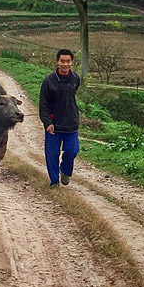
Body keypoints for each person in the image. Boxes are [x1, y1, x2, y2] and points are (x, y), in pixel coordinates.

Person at [39, 48, 81, 187]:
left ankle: (65, 171)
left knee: (72, 151)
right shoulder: (49, 81)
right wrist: (47, 122)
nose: (65, 64)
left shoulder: (75, 79)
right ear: (57, 62)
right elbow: (43, 105)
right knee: (52, 154)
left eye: (68, 61)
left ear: (72, 62)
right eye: (62, 61)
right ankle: (54, 182)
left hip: (71, 123)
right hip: (54, 125)